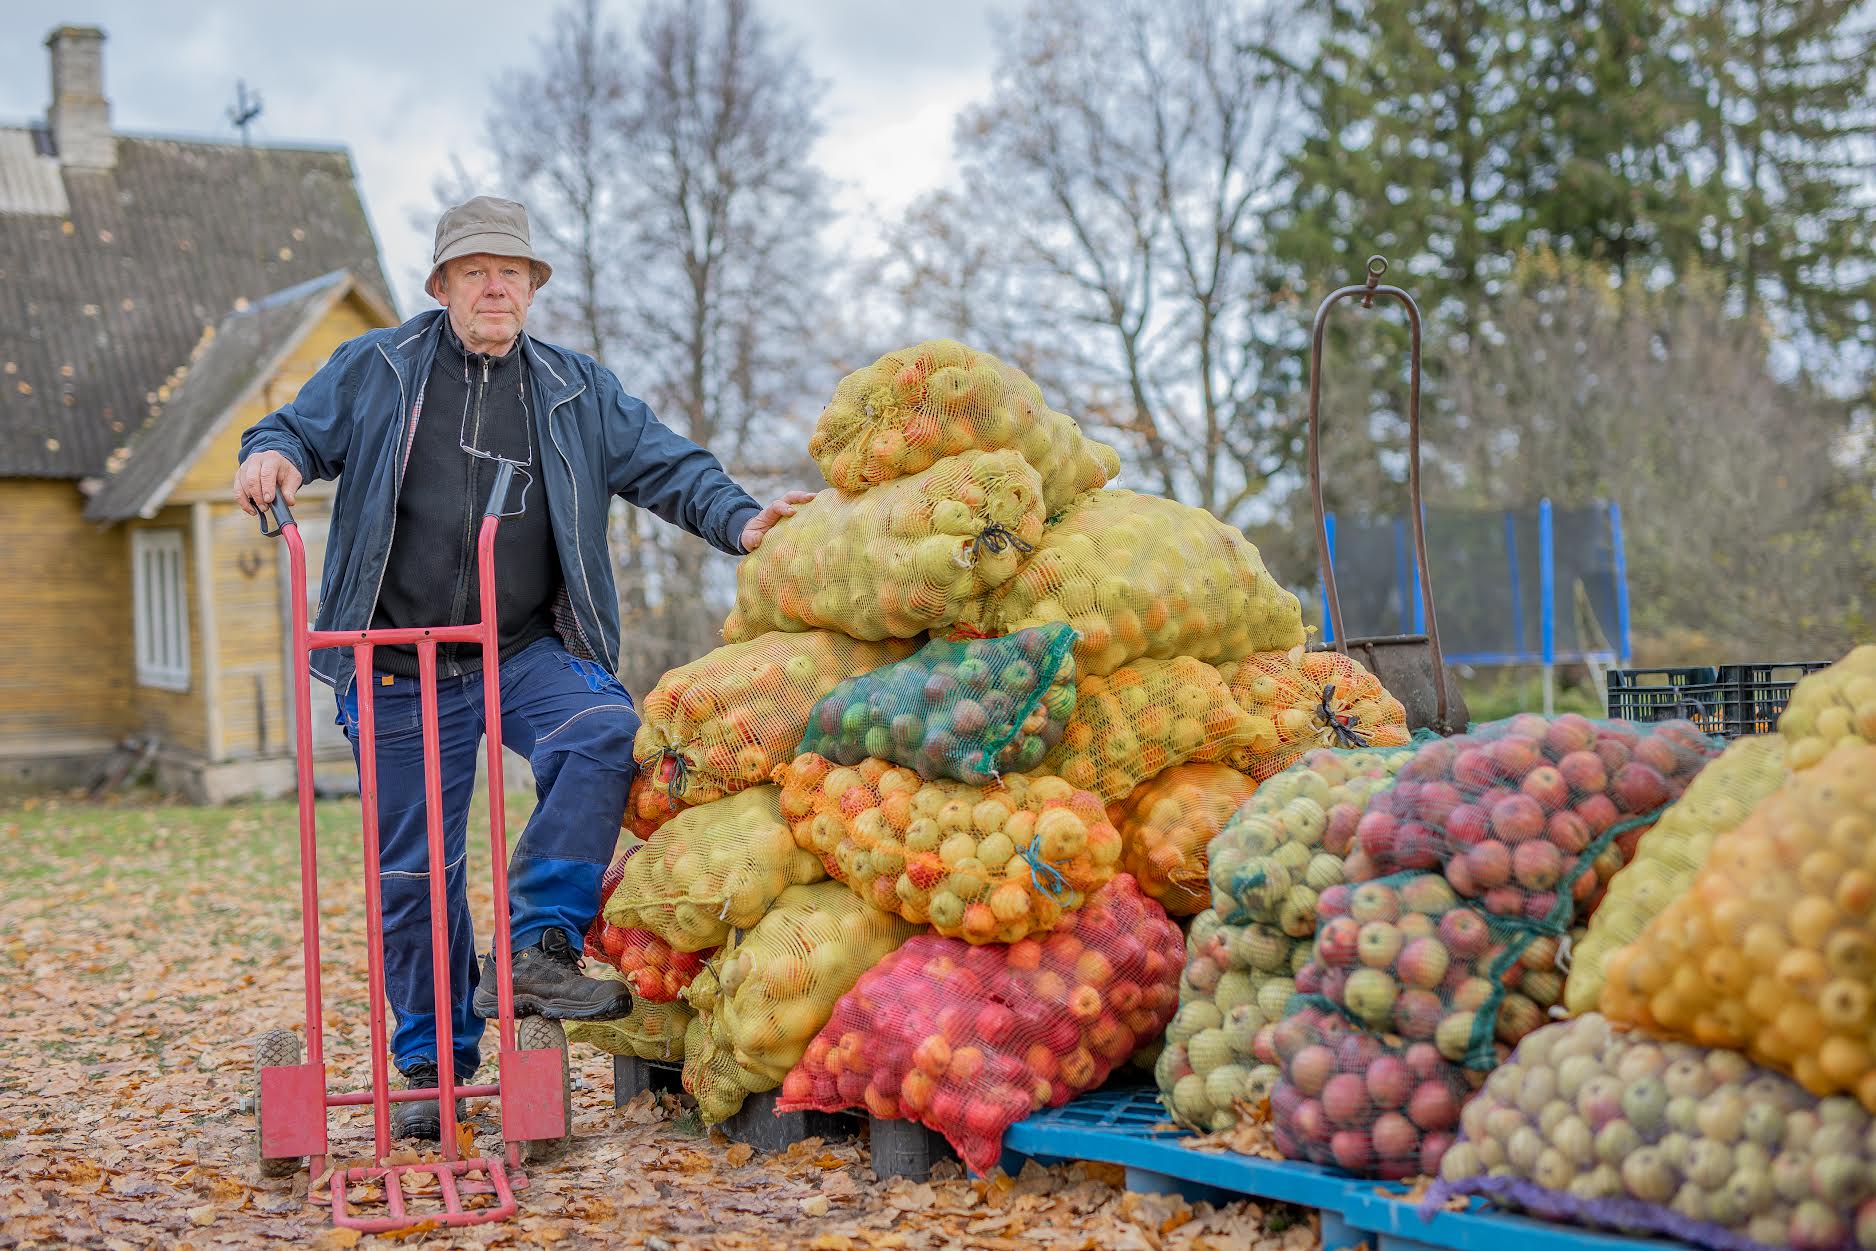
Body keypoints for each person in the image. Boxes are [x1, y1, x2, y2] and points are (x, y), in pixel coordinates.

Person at [234, 195, 811, 1141]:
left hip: (523, 647)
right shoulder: (378, 368)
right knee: (416, 871)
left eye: (511, 271)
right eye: (474, 271)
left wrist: (743, 521)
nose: (494, 285)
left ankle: (537, 945)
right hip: (393, 661)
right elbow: (293, 429)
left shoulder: (577, 389)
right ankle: (433, 1065)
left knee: (603, 733)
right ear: (442, 286)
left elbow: (668, 465)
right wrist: (271, 457)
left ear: (534, 287)